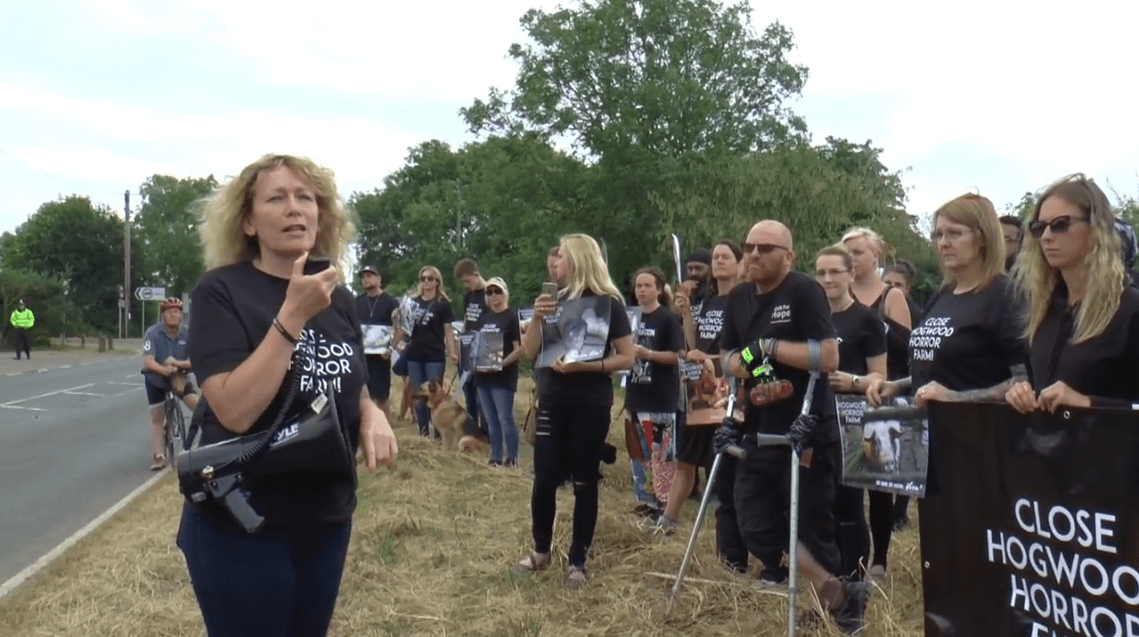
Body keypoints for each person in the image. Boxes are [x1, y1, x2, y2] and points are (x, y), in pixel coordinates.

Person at [182, 153, 397, 637]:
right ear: (249, 222)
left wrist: (370, 412)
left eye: (305, 198)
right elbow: (233, 409)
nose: (294, 209)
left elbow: (347, 374)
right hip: (242, 522)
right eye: (276, 198)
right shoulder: (220, 292)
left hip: (326, 516)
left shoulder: (335, 294)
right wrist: (292, 316)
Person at [719, 220, 867, 633]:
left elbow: (830, 357)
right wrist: (754, 363)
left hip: (805, 429)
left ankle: (832, 613)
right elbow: (727, 360)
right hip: (756, 425)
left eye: (766, 249)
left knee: (812, 523)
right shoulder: (738, 298)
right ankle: (834, 589)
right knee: (753, 523)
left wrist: (770, 348)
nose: (753, 255)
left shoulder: (803, 290)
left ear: (789, 256)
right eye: (749, 247)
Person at [867, 193, 1026, 495]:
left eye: (954, 233)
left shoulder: (1005, 296)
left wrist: (955, 398)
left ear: (983, 239)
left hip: (983, 453)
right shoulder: (943, 295)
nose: (943, 243)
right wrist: (897, 385)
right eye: (939, 234)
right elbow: (939, 370)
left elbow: (1024, 381)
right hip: (931, 450)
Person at [513, 233, 634, 589]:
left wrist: (587, 368)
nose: (555, 263)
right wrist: (536, 318)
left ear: (578, 260)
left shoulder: (609, 303)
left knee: (584, 480)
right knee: (545, 478)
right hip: (551, 399)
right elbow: (530, 353)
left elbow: (627, 356)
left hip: (591, 402)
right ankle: (540, 551)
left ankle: (578, 560)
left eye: (562, 257)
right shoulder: (551, 300)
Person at [1005, 174, 1139, 413]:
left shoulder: (1129, 310)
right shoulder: (1044, 307)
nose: (1046, 237)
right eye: (1039, 227)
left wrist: (1089, 404)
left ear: (1095, 228)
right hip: (1045, 448)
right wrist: (1022, 394)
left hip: (1111, 448)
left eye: (1060, 224)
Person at [662, 240, 745, 559]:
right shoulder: (708, 300)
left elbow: (744, 350)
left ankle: (728, 543)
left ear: (739, 263)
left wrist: (711, 358)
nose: (720, 261)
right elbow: (694, 341)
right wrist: (686, 316)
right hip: (701, 386)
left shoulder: (744, 300)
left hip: (728, 389)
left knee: (719, 466)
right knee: (684, 457)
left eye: (726, 257)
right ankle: (667, 519)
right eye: (716, 257)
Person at [840, 227, 912, 577]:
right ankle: (848, 556)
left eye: (857, 251)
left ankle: (880, 559)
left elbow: (906, 349)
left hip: (881, 398)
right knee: (844, 487)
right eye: (846, 251)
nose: (851, 257)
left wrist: (875, 325)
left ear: (875, 257)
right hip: (841, 398)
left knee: (878, 485)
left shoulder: (890, 296)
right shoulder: (836, 293)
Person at [814, 245, 886, 582]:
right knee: (819, 502)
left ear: (851, 275)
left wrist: (854, 381)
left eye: (834, 272)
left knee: (849, 503)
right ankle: (827, 573)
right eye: (821, 273)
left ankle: (855, 579)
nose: (827, 279)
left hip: (853, 421)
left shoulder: (866, 319)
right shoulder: (812, 316)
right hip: (814, 420)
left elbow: (881, 379)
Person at [625, 266, 684, 527]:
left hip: (660, 396)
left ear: (659, 289)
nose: (642, 290)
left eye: (647, 285)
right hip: (635, 394)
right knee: (639, 452)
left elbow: (678, 356)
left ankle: (664, 505)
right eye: (638, 286)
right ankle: (646, 499)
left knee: (662, 454)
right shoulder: (631, 318)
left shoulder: (667, 319)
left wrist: (647, 354)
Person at [392, 265, 457, 437]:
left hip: (435, 356)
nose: (426, 281)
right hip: (414, 355)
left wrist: (454, 352)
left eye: (430, 278)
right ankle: (423, 434)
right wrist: (391, 346)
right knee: (419, 396)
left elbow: (448, 330)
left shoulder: (442, 304)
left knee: (435, 397)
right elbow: (404, 328)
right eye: (423, 278)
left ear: (437, 281)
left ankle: (437, 434)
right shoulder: (412, 302)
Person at [141, 297, 200, 470]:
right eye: (169, 312)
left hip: (178, 375)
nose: (173, 315)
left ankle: (206, 443)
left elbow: (196, 359)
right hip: (156, 377)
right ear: (163, 316)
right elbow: (148, 360)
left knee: (198, 406)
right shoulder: (153, 333)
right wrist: (162, 369)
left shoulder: (188, 333)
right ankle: (159, 456)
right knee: (158, 417)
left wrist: (177, 364)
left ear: (181, 315)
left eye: (176, 312)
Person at [472, 276, 522, 466]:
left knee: (504, 417)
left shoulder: (511, 316)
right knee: (490, 419)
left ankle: (512, 457)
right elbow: (477, 345)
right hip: (483, 376)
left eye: (497, 291)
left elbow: (520, 348)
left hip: (502, 376)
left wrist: (501, 363)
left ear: (505, 293)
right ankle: (495, 456)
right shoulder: (484, 318)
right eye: (489, 292)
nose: (493, 295)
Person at [355, 265, 399, 420]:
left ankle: (384, 426)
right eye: (363, 276)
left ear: (379, 279)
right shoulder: (358, 302)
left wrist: (391, 349)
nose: (366, 279)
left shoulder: (390, 302)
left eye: (369, 275)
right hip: (362, 355)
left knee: (381, 396)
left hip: (381, 356)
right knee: (362, 393)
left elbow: (400, 328)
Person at [454, 258, 489, 436]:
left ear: (476, 274)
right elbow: (467, 320)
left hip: (484, 347)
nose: (466, 285)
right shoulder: (469, 296)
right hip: (467, 346)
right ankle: (472, 431)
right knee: (469, 394)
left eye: (467, 281)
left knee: (483, 395)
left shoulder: (490, 293)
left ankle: (488, 433)